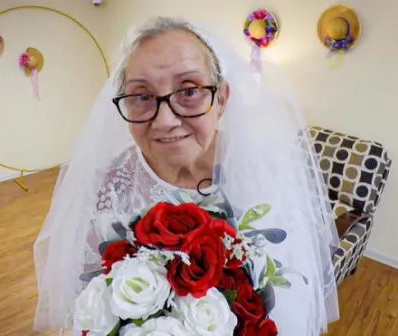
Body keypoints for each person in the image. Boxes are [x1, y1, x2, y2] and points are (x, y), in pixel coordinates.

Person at [33, 16, 340, 335]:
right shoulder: (103, 189)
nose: (165, 120)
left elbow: (290, 295)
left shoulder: (267, 175)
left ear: (221, 99)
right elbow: (87, 306)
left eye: (190, 90)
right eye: (141, 96)